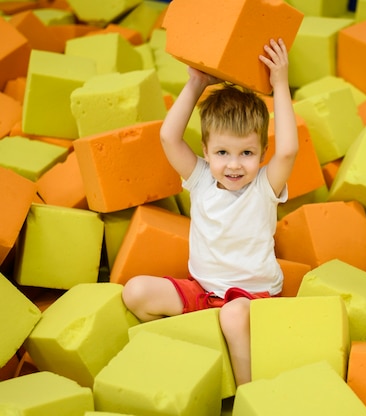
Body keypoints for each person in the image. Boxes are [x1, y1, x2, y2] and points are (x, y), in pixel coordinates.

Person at [122, 38, 298, 387]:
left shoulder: (264, 187)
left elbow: (289, 150)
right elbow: (169, 137)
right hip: (203, 293)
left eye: (247, 153)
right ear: (205, 150)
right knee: (135, 291)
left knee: (233, 317)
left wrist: (280, 84)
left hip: (252, 300)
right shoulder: (201, 178)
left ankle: (247, 392)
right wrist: (195, 83)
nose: (234, 165)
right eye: (222, 153)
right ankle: (196, 355)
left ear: (263, 152)